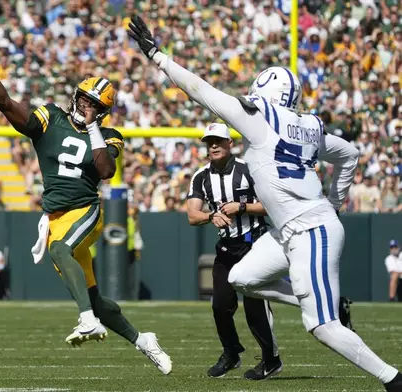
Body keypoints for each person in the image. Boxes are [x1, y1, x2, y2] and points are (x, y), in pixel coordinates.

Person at [128, 16, 402, 390]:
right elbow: (350, 154)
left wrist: (158, 57)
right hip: (289, 230)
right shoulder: (308, 125)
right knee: (242, 277)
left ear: (264, 92)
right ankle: (323, 301)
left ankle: (392, 378)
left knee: (320, 327)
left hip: (311, 229)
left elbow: (202, 91)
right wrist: (336, 199)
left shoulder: (261, 119)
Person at [0, 34, 171, 374]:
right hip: (55, 216)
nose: (84, 106)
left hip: (86, 210)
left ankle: (87, 321)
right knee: (95, 299)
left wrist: (92, 128)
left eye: (93, 104)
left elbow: (106, 170)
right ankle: (142, 340)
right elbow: (5, 103)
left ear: (103, 112)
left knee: (60, 250)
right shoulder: (51, 117)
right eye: (82, 99)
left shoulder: (110, 136)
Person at [187, 123, 280, 380]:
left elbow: (272, 206)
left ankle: (271, 359)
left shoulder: (248, 170)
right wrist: (211, 216)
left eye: (218, 140)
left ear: (230, 143)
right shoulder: (201, 176)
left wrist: (241, 207)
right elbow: (192, 216)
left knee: (254, 306)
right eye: (209, 141)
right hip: (227, 248)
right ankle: (231, 353)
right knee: (220, 304)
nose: (213, 145)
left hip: (256, 244)